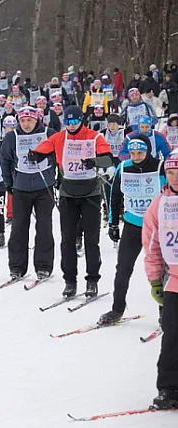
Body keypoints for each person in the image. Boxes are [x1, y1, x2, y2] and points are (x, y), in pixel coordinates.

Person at [28, 105, 113, 298]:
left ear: (81, 120)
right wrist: (35, 154)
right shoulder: (60, 137)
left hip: (90, 192)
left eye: (75, 121)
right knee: (67, 240)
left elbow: (108, 159)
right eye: (68, 122)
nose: (72, 125)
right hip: (68, 193)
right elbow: (43, 149)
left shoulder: (95, 136)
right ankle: (70, 281)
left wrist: (95, 161)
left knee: (91, 240)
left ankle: (92, 280)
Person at [98, 135, 165, 325]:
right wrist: (113, 223)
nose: (136, 157)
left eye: (140, 153)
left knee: (162, 272)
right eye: (132, 153)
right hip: (132, 225)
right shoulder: (123, 167)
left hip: (157, 227)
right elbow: (115, 196)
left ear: (148, 151)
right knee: (123, 268)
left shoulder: (160, 167)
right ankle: (117, 309)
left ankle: (165, 312)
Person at [0, 106, 57, 279]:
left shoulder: (49, 132)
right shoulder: (12, 137)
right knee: (18, 228)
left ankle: (43, 266)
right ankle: (17, 266)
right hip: (21, 188)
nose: (26, 124)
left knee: (44, 228)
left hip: (44, 188)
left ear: (36, 119)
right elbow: (6, 161)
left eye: (29, 120)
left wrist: (56, 178)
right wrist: (9, 183)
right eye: (22, 120)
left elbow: (58, 156)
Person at [142, 152, 178, 410]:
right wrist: (155, 280)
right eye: (172, 172)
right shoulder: (159, 205)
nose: (176, 177)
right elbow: (152, 245)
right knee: (173, 337)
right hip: (175, 281)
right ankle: (168, 388)